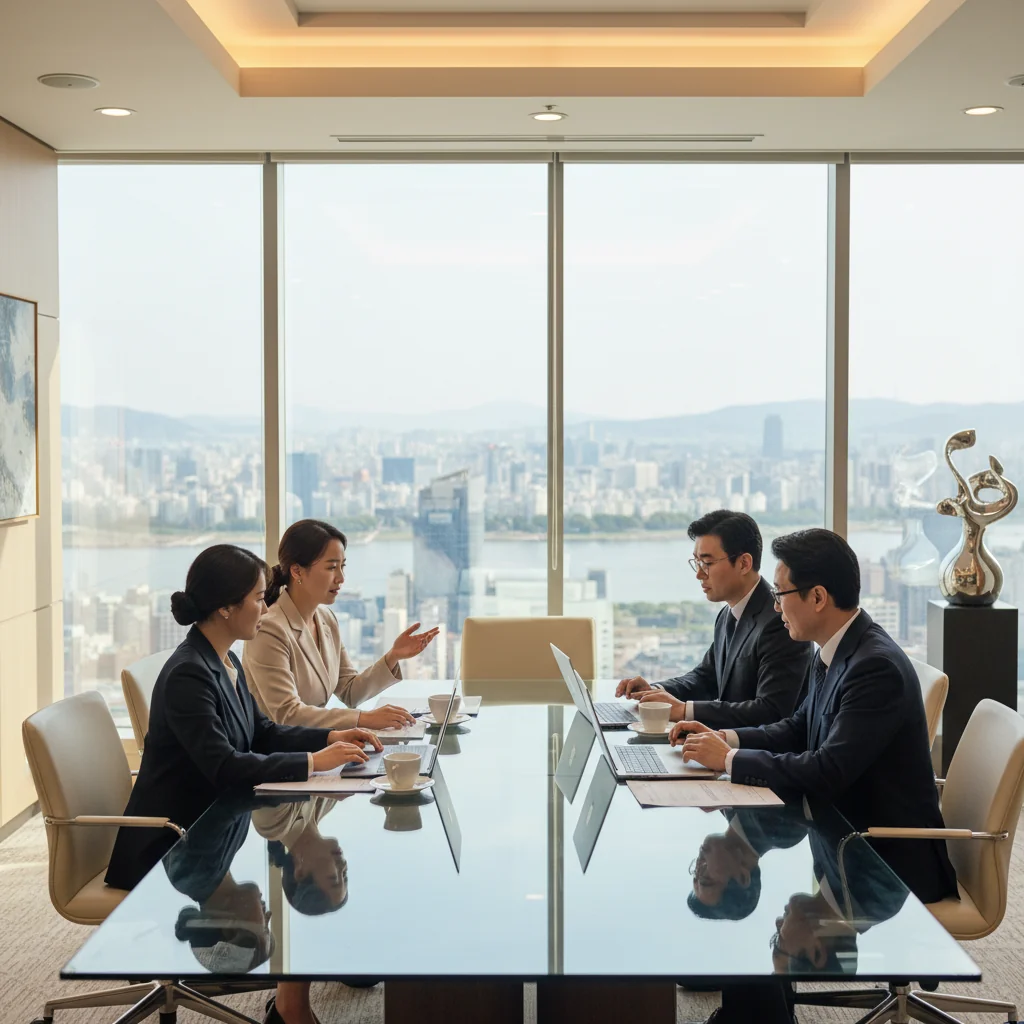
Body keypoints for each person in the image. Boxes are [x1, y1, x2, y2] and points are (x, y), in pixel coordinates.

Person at [105, 544, 382, 1024]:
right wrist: (313, 762)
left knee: (301, 864)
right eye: (258, 598)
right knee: (298, 883)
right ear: (225, 609)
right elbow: (226, 766)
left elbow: (263, 732)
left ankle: (321, 969)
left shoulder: (222, 660)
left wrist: (329, 738)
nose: (265, 608)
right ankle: (296, 999)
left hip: (214, 820)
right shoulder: (190, 674)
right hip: (171, 843)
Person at [671, 527, 958, 906]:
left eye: (780, 594)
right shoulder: (835, 648)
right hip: (839, 840)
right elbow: (798, 728)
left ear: (818, 597)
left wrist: (728, 760)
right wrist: (725, 739)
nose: (775, 607)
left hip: (884, 863)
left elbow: (826, 771)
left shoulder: (875, 668)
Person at [617, 510, 812, 728]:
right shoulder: (728, 614)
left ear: (744, 563)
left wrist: (684, 710)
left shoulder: (781, 621)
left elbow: (770, 711)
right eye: (697, 562)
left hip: (756, 746)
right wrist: (655, 691)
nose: (699, 574)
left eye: (707, 563)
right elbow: (706, 677)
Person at [243, 519, 438, 731]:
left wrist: (393, 656)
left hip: (318, 741)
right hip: (281, 747)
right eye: (331, 567)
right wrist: (363, 719)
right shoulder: (269, 629)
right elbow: (287, 714)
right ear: (297, 571)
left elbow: (350, 691)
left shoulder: (326, 619)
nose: (341, 578)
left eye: (342, 566)